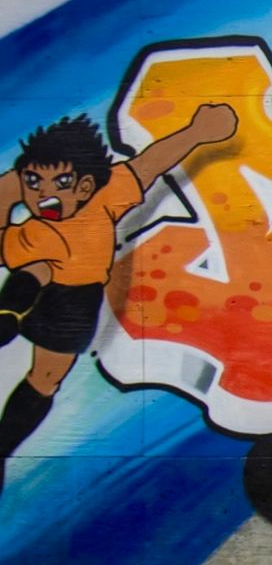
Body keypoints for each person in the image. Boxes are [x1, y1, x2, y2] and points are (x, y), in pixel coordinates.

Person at [0, 106, 237, 493]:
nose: (44, 195)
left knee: (45, 379)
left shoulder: (106, 198)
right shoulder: (31, 231)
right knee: (37, 269)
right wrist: (12, 188)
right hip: (34, 278)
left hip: (74, 298)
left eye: (60, 182)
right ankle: (8, 313)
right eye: (34, 182)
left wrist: (197, 132)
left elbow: (150, 163)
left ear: (85, 186)